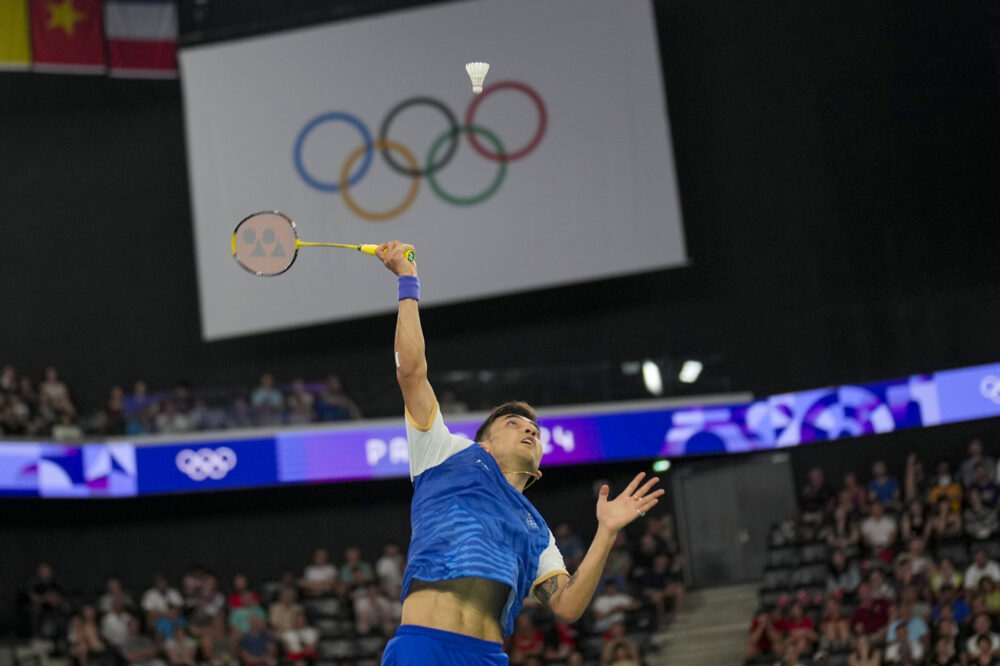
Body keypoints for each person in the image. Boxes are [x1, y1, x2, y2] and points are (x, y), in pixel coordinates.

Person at [374, 241, 664, 665]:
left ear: (540, 471)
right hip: (423, 647)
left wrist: (606, 533)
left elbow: (567, 607)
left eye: (534, 430)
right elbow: (411, 372)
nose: (529, 429)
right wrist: (407, 281)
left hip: (487, 657)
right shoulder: (444, 454)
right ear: (484, 443)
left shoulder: (535, 531)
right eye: (514, 424)